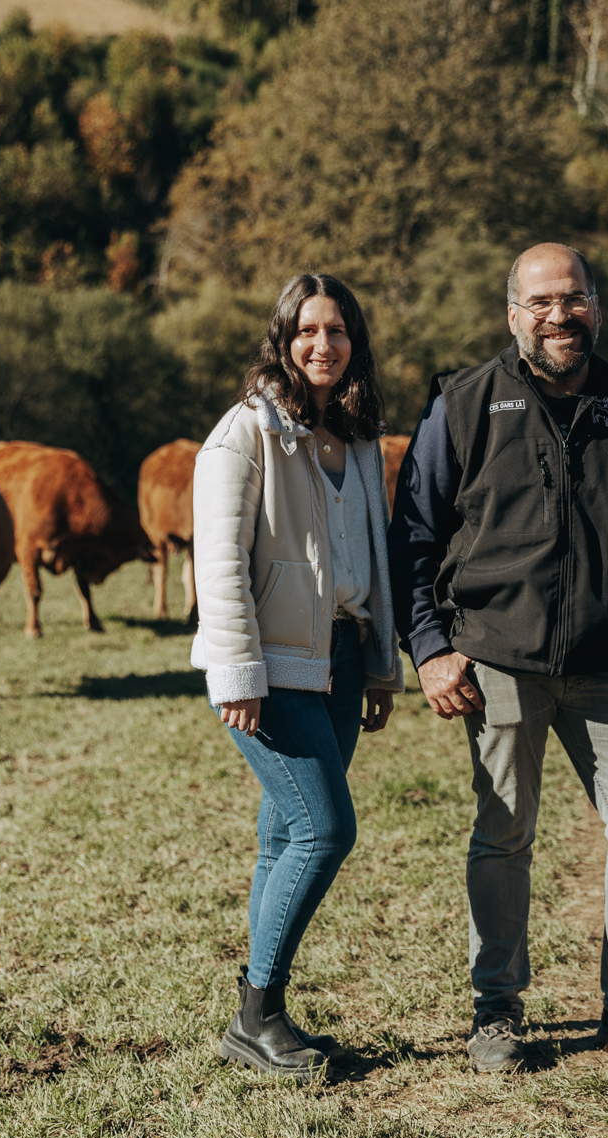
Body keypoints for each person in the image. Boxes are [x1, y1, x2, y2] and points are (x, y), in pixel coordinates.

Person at [390, 242, 608, 1073]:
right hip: (495, 661)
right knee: (504, 834)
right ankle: (497, 1011)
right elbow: (412, 534)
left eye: (573, 298)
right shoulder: (463, 404)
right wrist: (432, 649)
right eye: (541, 302)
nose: (559, 315)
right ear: (513, 313)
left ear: (596, 307)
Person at [191, 274, 404, 1079]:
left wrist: (381, 665)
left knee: (285, 834)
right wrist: (237, 671)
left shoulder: (354, 435)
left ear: (357, 345)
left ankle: (264, 1014)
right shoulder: (245, 433)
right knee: (325, 829)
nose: (324, 345)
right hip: (271, 669)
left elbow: (369, 558)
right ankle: (256, 1011)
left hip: (341, 657)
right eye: (308, 330)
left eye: (339, 331)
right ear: (282, 340)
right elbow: (219, 566)